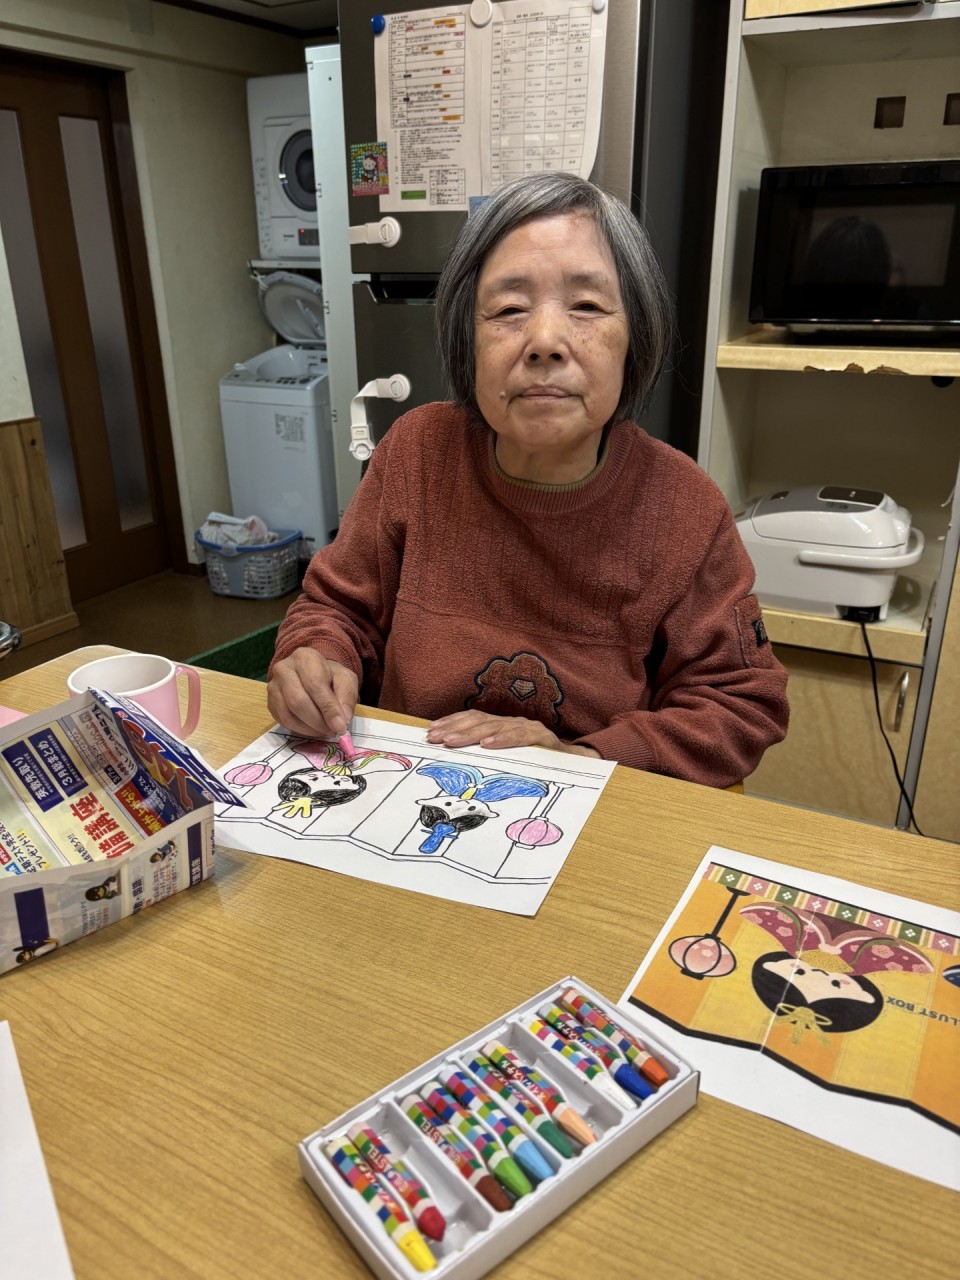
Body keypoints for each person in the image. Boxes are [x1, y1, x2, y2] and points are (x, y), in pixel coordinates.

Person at [267, 172, 789, 787]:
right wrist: (316, 656)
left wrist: (580, 758)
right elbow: (336, 608)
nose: (544, 342)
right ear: (467, 341)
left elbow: (738, 704)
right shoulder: (416, 452)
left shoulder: (684, 506)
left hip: (583, 812)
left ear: (634, 338)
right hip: (404, 789)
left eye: (586, 306)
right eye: (509, 310)